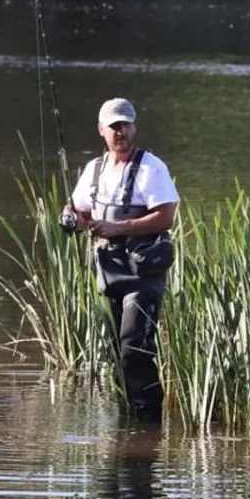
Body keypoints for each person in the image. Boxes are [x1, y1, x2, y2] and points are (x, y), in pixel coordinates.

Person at [63, 97, 179, 421]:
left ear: (135, 127)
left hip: (143, 275)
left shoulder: (151, 167)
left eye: (126, 124)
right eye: (114, 126)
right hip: (109, 275)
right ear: (101, 130)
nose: (121, 131)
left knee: (134, 347)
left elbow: (166, 217)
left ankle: (148, 421)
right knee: (118, 352)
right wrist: (71, 219)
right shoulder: (93, 170)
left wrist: (119, 226)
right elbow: (80, 212)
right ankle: (129, 423)